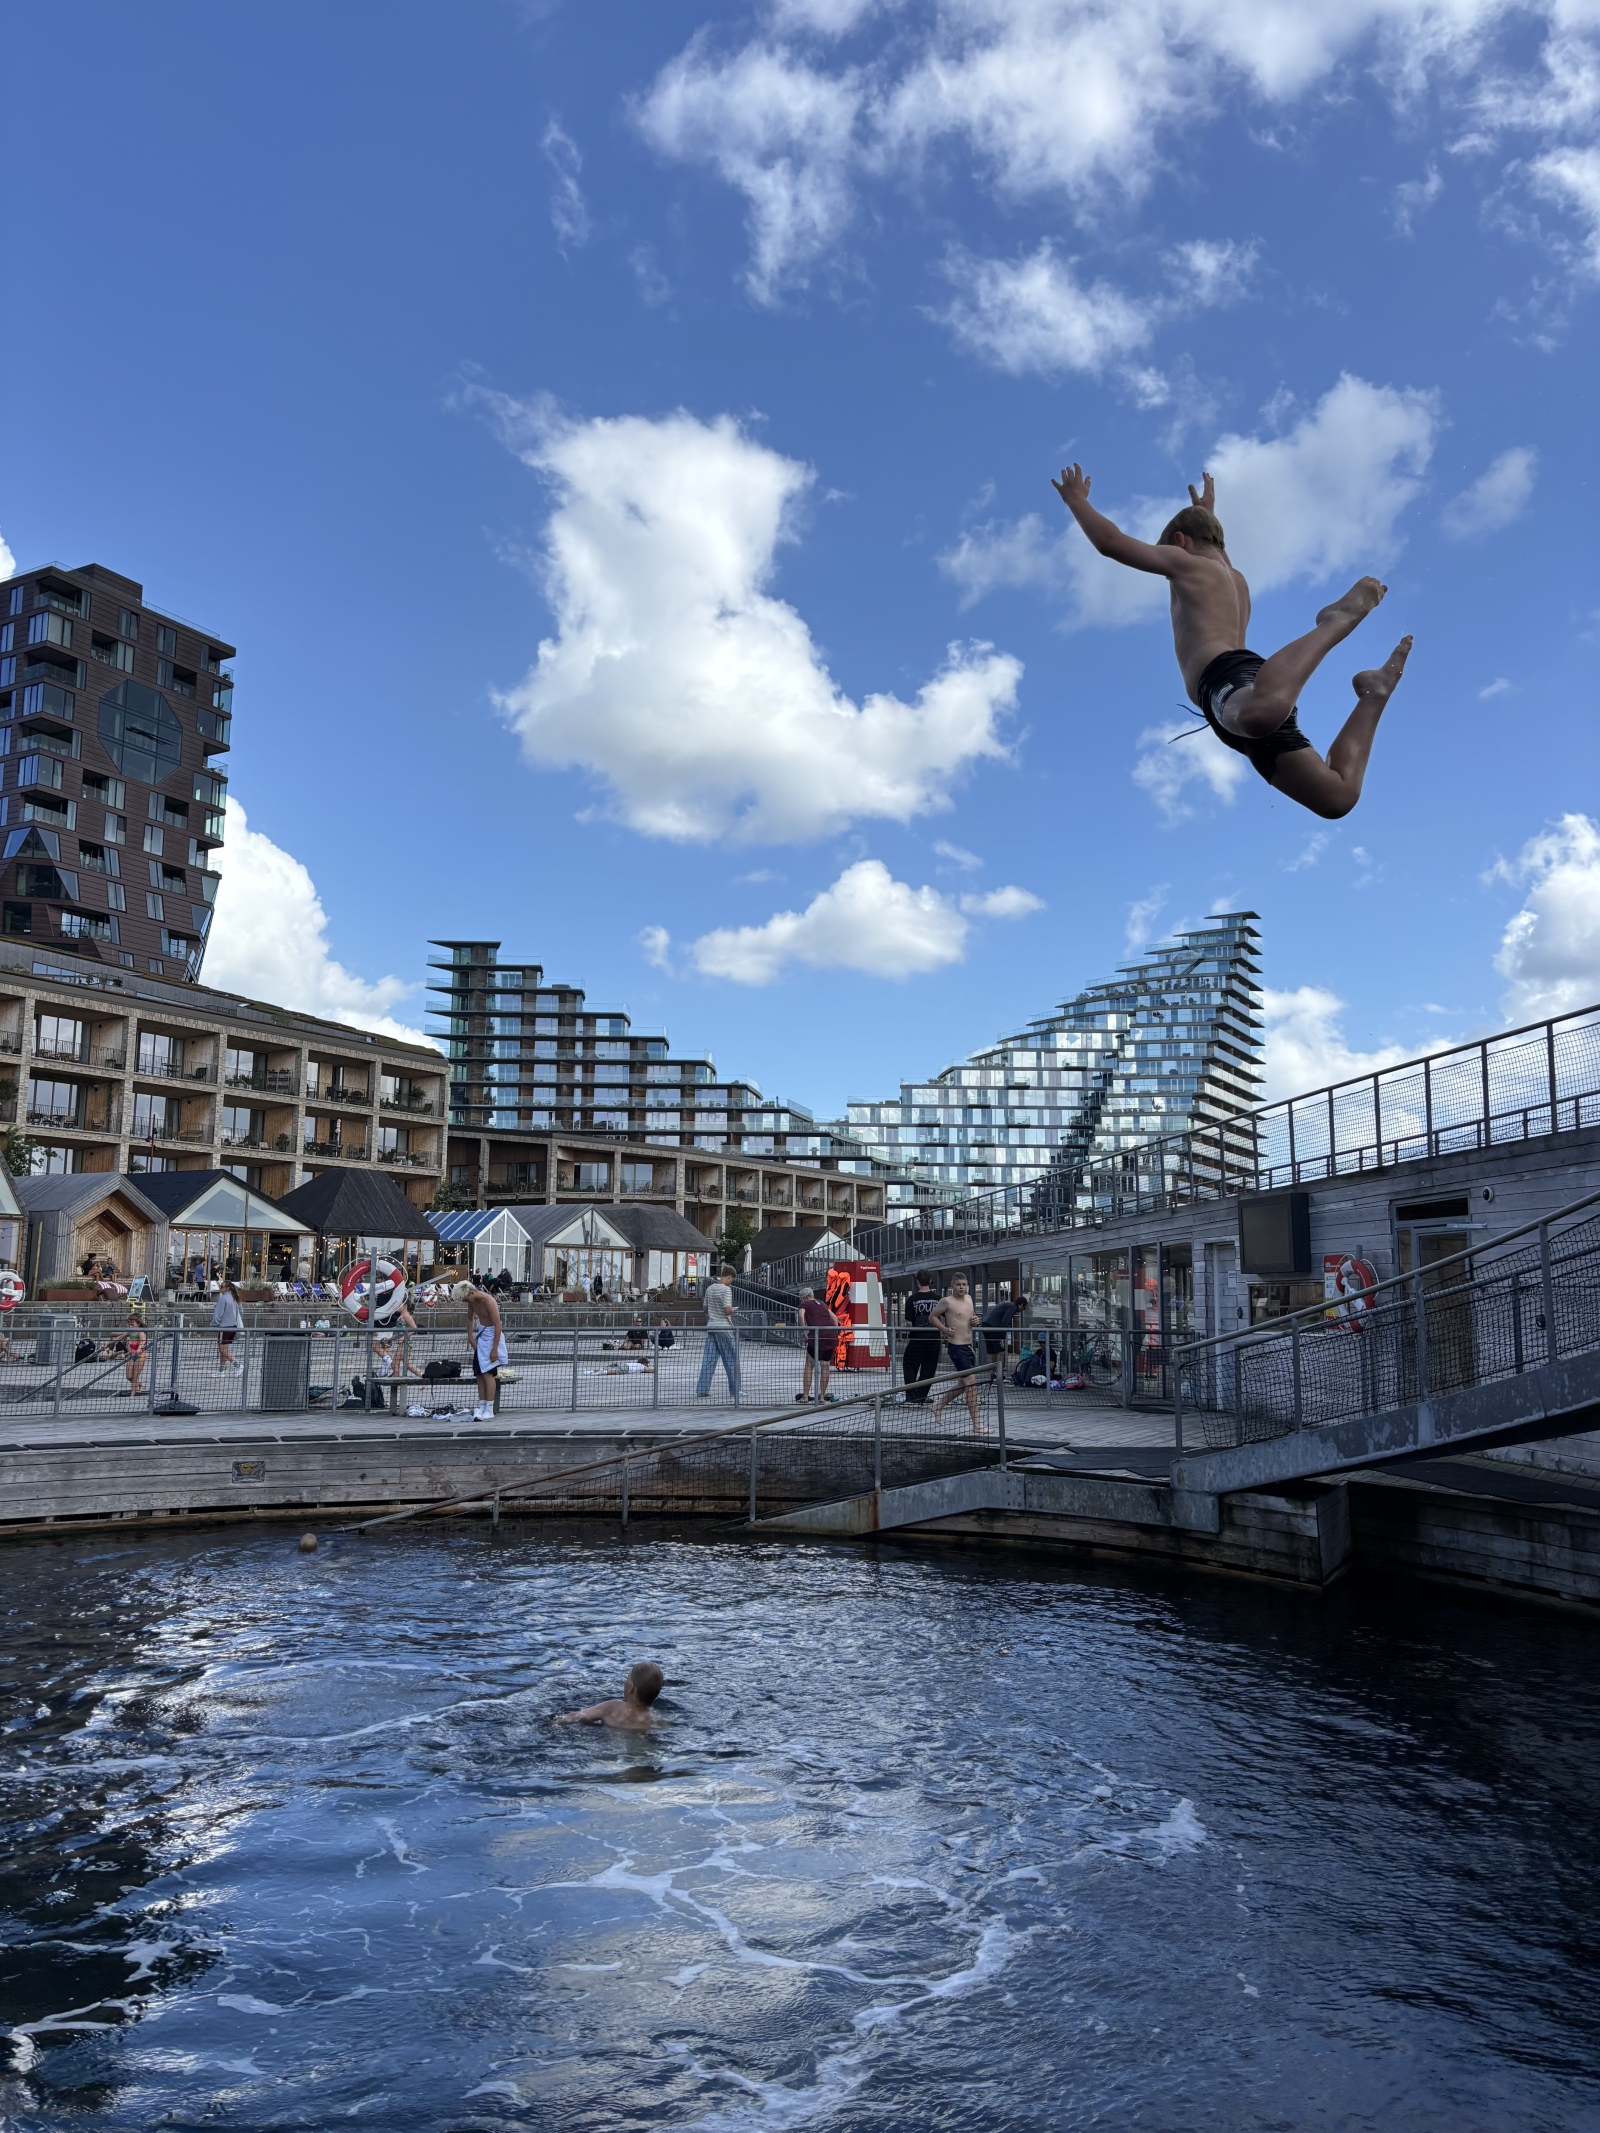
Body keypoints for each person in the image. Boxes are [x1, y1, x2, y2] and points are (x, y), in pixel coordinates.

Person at [1052, 464, 1411, 820]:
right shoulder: (1234, 577)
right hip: (1240, 695)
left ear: (1179, 542)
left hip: (1231, 683)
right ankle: (1374, 694)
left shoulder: (1184, 563)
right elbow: (1214, 546)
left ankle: (1335, 622)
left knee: (1260, 713)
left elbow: (1110, 544)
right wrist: (1205, 514)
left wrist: (1076, 502)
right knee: (1337, 796)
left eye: (1169, 553)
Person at [932, 1275, 984, 1432]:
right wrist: (945, 1330)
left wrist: (975, 1320)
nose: (961, 1287)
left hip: (968, 1347)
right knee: (971, 1385)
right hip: (956, 1347)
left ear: (968, 1286)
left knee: (962, 1385)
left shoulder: (969, 1299)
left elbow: (970, 1319)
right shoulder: (946, 1301)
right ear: (952, 1286)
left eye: (964, 1284)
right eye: (958, 1284)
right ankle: (976, 1424)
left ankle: (937, 1406)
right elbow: (932, 1316)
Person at [452, 1278, 507, 1423]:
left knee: (488, 1373)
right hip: (482, 1334)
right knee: (479, 1373)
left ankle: (489, 1409)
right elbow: (470, 1319)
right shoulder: (472, 1301)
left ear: (471, 1293)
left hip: (491, 1335)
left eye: (464, 1299)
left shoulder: (488, 1301)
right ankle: (482, 1405)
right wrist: (470, 1337)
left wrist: (494, 1349)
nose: (464, 1302)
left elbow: (497, 1325)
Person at [556, 1661, 665, 1730]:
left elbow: (578, 1716)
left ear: (631, 1688)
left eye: (627, 1680)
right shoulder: (655, 1719)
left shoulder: (613, 1706)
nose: (624, 1684)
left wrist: (553, 1723)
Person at [696, 1264, 740, 1398]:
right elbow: (726, 1310)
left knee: (708, 1360)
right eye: (731, 1280)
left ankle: (702, 1389)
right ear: (728, 1277)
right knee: (731, 1359)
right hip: (724, 1327)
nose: (731, 1282)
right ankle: (736, 1390)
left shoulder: (710, 1288)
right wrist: (733, 1310)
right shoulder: (726, 1290)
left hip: (711, 1326)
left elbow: (705, 1309)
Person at [901, 1269, 942, 1406]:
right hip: (934, 1338)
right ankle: (921, 1396)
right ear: (930, 1281)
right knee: (929, 1369)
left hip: (917, 1338)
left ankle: (912, 1396)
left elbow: (909, 1323)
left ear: (917, 1282)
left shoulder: (912, 1299)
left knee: (909, 1365)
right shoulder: (938, 1299)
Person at [795, 1285, 840, 1403]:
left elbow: (800, 1316)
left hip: (816, 1336)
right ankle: (821, 1397)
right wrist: (834, 1332)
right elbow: (834, 1318)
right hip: (830, 1336)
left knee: (809, 1365)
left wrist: (804, 1332)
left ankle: (805, 1396)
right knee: (825, 1366)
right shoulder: (822, 1304)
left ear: (803, 1298)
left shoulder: (804, 1305)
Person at [212, 1281, 243, 1372]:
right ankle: (221, 1370)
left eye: (222, 1286)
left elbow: (218, 1314)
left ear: (227, 1288)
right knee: (224, 1349)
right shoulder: (235, 1298)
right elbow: (241, 1311)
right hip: (232, 1326)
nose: (220, 1288)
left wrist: (214, 1324)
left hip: (224, 1327)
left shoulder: (223, 1299)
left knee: (222, 1350)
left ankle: (237, 1364)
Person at [121, 1312, 147, 1398]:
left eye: (132, 1323)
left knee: (135, 1375)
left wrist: (139, 1349)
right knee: (128, 1376)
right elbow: (122, 1337)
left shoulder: (140, 1331)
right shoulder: (131, 1332)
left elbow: (143, 1341)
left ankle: (132, 1395)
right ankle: (140, 1384)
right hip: (132, 1355)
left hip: (140, 1355)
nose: (130, 1325)